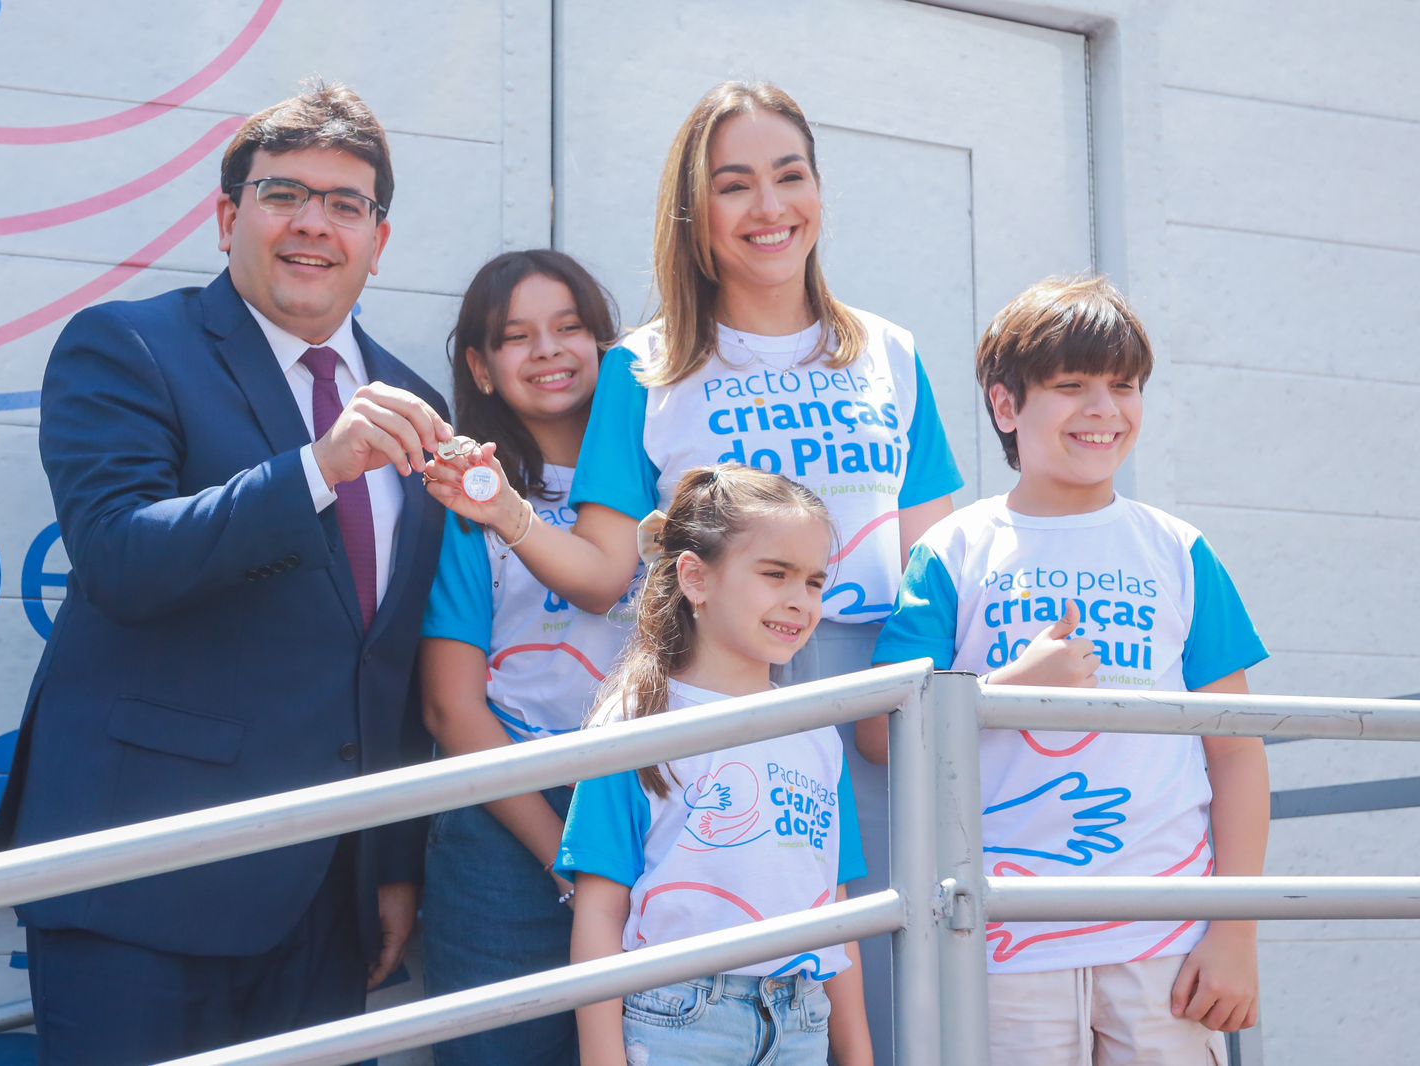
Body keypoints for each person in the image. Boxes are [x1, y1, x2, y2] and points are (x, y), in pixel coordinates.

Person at [422, 81, 963, 1043]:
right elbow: (603, 574)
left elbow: (934, 569)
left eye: (790, 176)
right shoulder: (643, 366)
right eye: (734, 184)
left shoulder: (892, 352)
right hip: (709, 715)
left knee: (883, 997)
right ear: (694, 211)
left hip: (876, 715)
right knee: (721, 1005)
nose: (769, 207)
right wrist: (505, 513)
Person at [0, 82, 452, 1064]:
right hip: (139, 882)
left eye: (345, 204)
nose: (314, 224)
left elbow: (386, 658)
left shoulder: (412, 400)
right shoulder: (128, 346)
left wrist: (390, 861)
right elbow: (120, 557)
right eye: (285, 194)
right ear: (229, 218)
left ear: (378, 240)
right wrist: (317, 468)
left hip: (326, 899)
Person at [866, 275, 1269, 1064]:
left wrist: (1237, 930)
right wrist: (1005, 692)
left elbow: (1236, 753)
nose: (1104, 408)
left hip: (1166, 941)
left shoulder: (1179, 551)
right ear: (1006, 405)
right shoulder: (954, 550)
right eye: (1072, 385)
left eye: (1124, 385)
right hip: (1000, 935)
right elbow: (883, 738)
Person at [557, 464, 872, 1066]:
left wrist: (858, 1056)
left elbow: (837, 909)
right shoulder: (637, 719)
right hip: (678, 1018)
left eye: (813, 581)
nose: (799, 600)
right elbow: (599, 910)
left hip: (803, 1018)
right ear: (695, 578)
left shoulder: (818, 731)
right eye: (775, 574)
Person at [418, 250, 627, 1065]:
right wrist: (563, 858)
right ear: (480, 365)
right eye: (516, 336)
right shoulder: (466, 493)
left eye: (569, 327)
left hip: (651, 807)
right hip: (508, 830)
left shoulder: (663, 480)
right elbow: (451, 706)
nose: (548, 351)